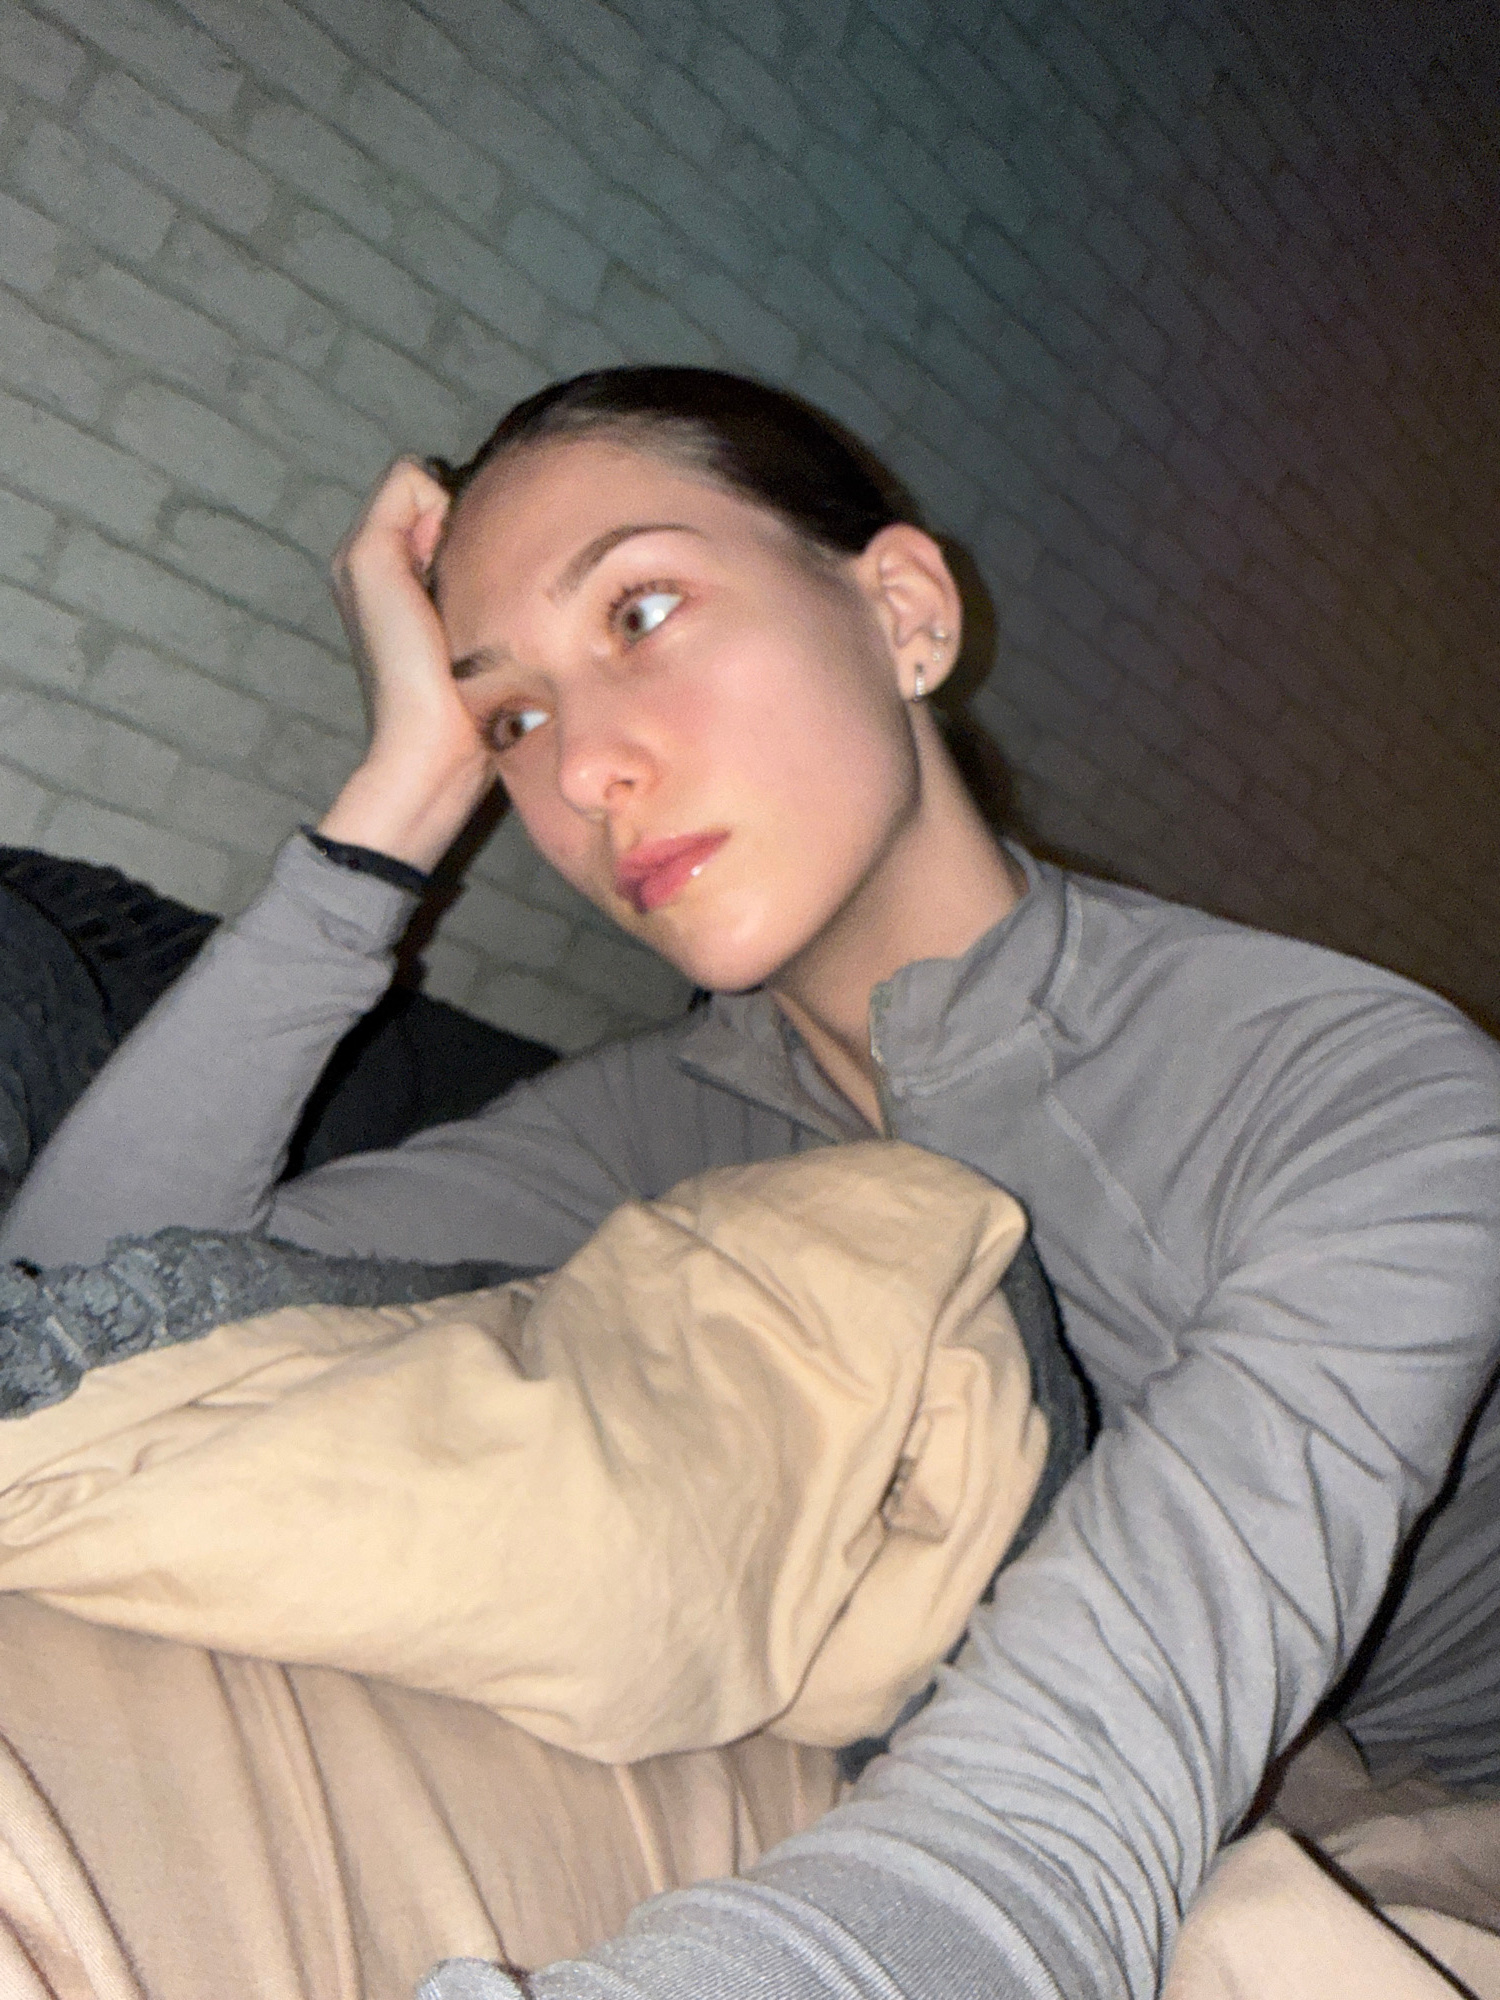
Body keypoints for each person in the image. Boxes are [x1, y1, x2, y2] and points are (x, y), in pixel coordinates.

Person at [4, 367, 1498, 2000]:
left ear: (906, 615)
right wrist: (401, 801)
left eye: (642, 612)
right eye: (514, 719)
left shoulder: (1364, 1091)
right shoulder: (654, 1122)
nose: (583, 768)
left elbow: (1051, 1833)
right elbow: (81, 1330)